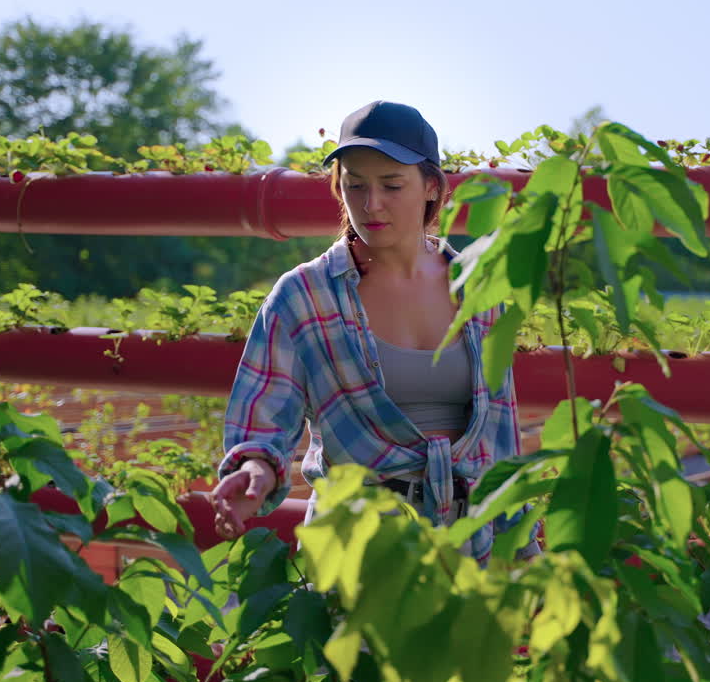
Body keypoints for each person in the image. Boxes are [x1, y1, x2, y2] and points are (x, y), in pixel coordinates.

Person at [208, 100, 538, 562]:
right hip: (359, 548)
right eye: (355, 185)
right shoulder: (304, 296)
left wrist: (522, 545)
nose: (371, 204)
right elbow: (263, 415)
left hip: (474, 550)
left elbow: (500, 436)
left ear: (432, 189)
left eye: (391, 185)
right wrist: (255, 467)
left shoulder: (477, 287)